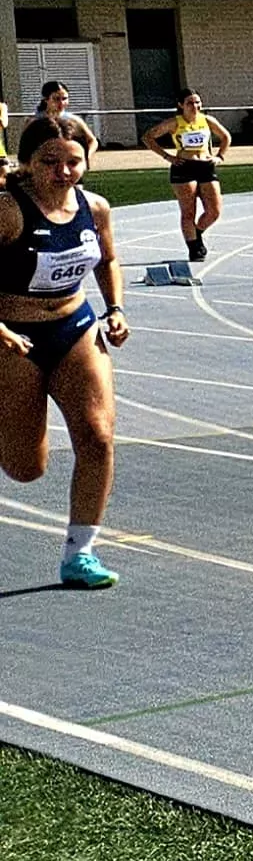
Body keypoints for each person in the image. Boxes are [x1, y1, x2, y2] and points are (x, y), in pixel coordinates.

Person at [0, 117, 133, 588]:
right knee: (25, 469)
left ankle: (81, 554)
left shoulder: (95, 208)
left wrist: (115, 308)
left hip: (75, 328)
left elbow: (108, 260)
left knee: (98, 436)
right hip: (14, 338)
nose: (63, 171)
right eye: (50, 162)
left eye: (73, 162)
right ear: (27, 163)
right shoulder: (8, 211)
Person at [141, 89, 230, 262]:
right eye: (190, 103)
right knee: (189, 211)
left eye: (197, 102)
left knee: (214, 211)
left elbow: (226, 136)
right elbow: (148, 137)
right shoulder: (175, 123)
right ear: (181, 105)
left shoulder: (207, 120)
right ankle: (194, 247)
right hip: (184, 167)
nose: (195, 106)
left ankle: (196, 232)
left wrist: (220, 156)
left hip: (206, 166)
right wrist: (167, 156)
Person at [36, 82, 98, 156]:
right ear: (46, 99)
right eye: (56, 99)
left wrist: (85, 157)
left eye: (64, 98)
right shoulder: (35, 121)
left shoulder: (74, 120)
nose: (61, 103)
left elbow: (93, 141)